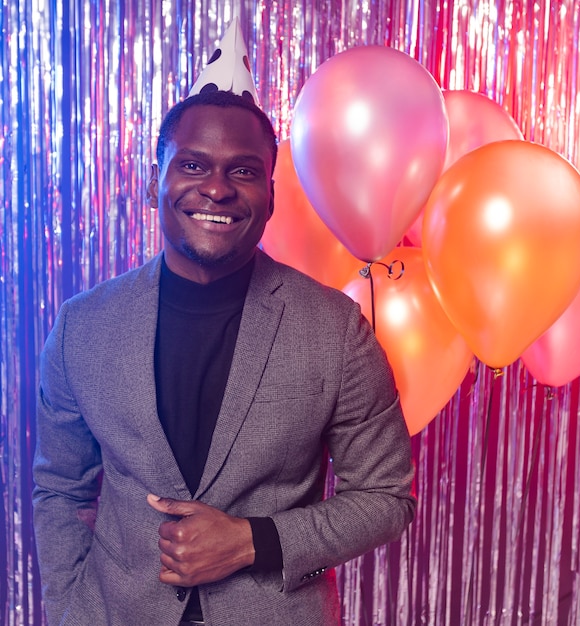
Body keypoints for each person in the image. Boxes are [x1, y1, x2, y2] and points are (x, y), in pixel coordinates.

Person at [32, 83, 415, 625]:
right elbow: (59, 489)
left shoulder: (334, 329)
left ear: (271, 196)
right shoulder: (83, 326)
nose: (216, 189)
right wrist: (69, 610)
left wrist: (252, 541)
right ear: (153, 184)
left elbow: (385, 497)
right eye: (192, 166)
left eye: (242, 171)